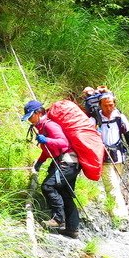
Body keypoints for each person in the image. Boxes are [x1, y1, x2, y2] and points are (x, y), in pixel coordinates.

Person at [23, 99, 80, 237]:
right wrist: (40, 161)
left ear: (38, 112)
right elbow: (49, 149)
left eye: (31, 116)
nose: (30, 120)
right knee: (65, 193)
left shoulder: (49, 125)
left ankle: (58, 219)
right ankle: (72, 229)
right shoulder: (42, 126)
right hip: (67, 162)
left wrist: (46, 140)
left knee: (48, 186)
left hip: (67, 161)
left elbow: (62, 143)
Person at [98, 93, 129, 224]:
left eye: (111, 105)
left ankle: (111, 212)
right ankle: (121, 218)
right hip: (104, 158)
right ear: (100, 105)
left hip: (119, 157)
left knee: (114, 186)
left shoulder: (120, 117)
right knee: (113, 186)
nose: (108, 108)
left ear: (114, 104)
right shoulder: (95, 119)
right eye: (105, 106)